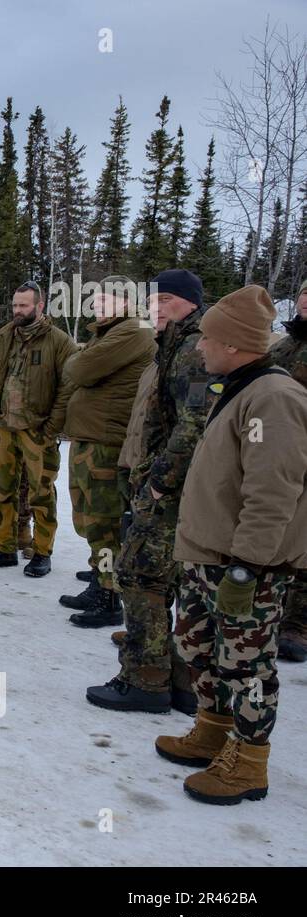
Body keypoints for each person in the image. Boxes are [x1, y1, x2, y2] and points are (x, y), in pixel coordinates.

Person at [155, 285, 307, 805]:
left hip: (245, 565)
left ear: (235, 344)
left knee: (246, 663)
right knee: (198, 646)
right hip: (208, 555)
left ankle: (248, 761)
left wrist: (248, 566)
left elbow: (274, 490)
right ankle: (213, 729)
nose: (200, 347)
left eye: (208, 339)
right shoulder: (238, 387)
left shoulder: (275, 398)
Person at [88, 269, 207, 714]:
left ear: (191, 303)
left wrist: (159, 481)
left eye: (167, 301)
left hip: (171, 488)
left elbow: (194, 425)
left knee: (139, 576)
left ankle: (144, 679)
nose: (156, 309)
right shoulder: (173, 344)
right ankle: (177, 678)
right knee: (163, 580)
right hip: (166, 482)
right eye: (152, 302)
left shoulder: (194, 349)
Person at [57, 276, 154, 628]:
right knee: (89, 517)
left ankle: (109, 594)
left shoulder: (134, 329)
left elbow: (79, 368)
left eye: (107, 298)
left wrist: (80, 360)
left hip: (107, 440)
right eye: (96, 298)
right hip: (91, 436)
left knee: (106, 521)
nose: (97, 304)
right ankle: (101, 576)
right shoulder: (111, 330)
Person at [0, 281, 75, 577]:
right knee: (2, 491)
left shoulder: (59, 341)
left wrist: (51, 427)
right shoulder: (5, 335)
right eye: (15, 305)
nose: (18, 311)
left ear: (40, 306)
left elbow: (67, 388)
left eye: (24, 306)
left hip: (37, 430)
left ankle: (42, 553)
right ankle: (5, 546)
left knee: (42, 494)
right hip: (2, 428)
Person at [268, 278, 307, 662]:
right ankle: (277, 611)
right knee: (282, 530)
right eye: (305, 293)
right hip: (280, 450)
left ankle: (297, 623)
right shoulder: (284, 344)